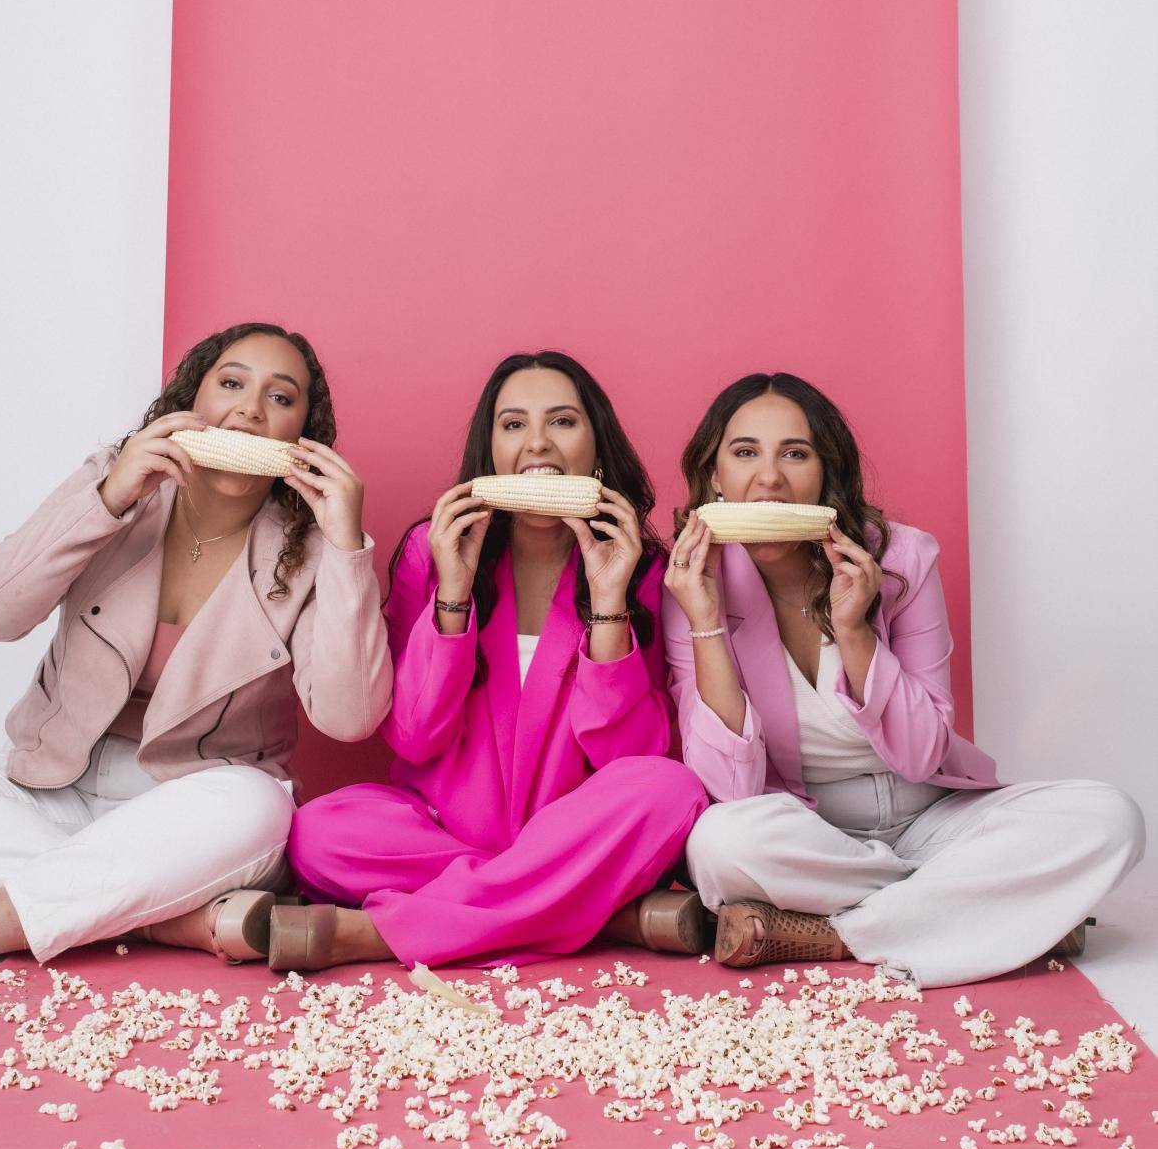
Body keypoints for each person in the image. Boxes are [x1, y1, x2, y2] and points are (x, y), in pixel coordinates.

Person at [0, 322, 392, 971]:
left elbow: (349, 719)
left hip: (195, 809)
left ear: (302, 432)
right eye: (231, 384)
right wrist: (107, 499)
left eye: (280, 398)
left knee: (257, 808)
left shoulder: (318, 548)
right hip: (56, 786)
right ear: (190, 400)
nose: (250, 410)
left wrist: (347, 546)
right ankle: (170, 918)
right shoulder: (114, 485)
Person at [664, 371, 1144, 988]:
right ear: (713, 477)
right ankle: (982, 905)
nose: (771, 478)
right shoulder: (691, 583)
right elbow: (730, 787)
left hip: (931, 812)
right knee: (720, 844)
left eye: (796, 453)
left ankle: (837, 935)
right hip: (809, 829)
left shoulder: (903, 558)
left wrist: (858, 631)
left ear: (826, 471)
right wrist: (705, 622)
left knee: (1110, 816)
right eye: (745, 452)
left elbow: (924, 753)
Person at [278, 351, 708, 971]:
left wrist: (609, 602)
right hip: (442, 833)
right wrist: (453, 593)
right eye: (512, 425)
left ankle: (379, 934)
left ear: (597, 447)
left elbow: (631, 759)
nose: (538, 444)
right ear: (490, 449)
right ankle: (591, 911)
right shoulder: (433, 551)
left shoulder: (640, 568)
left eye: (562, 422)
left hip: (574, 833)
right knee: (316, 833)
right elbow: (415, 737)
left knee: (671, 791)